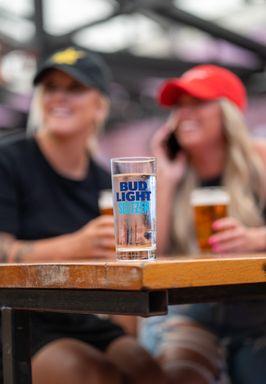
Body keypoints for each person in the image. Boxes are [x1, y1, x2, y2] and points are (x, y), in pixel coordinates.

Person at [0, 46, 168, 384]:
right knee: (94, 374)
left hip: (78, 318)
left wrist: (126, 335)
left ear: (100, 105)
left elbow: (125, 273)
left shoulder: (102, 180)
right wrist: (74, 245)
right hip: (15, 318)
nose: (60, 97)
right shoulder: (9, 160)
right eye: (51, 88)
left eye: (75, 88)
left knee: (151, 371)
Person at [140, 65, 266, 384]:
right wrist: (166, 178)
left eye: (197, 103)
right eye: (179, 106)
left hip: (257, 314)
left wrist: (255, 238)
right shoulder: (174, 173)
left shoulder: (260, 159)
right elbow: (155, 252)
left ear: (227, 112)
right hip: (193, 311)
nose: (185, 114)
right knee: (179, 374)